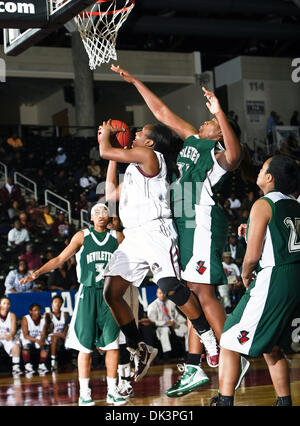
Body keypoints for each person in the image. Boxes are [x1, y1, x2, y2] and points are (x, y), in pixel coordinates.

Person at [111, 65, 247, 396]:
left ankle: (233, 355)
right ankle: (194, 365)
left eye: (210, 124)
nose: (204, 122)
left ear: (219, 133)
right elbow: (161, 112)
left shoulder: (215, 153)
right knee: (189, 297)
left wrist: (221, 116)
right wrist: (136, 81)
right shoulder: (191, 139)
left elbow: (235, 155)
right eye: (207, 120)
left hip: (201, 221)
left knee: (203, 293)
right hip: (181, 224)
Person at [100, 118, 218, 386]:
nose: (136, 133)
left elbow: (105, 149)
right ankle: (138, 347)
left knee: (171, 287)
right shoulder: (133, 165)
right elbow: (109, 193)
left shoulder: (150, 155)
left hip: (156, 232)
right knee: (111, 292)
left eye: (141, 132)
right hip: (133, 236)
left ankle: (208, 337)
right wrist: (113, 159)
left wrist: (105, 136)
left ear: (150, 142)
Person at [211, 155, 300, 406]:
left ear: (269, 177)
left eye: (262, 169)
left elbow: (252, 256)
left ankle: (225, 400)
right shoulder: (295, 205)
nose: (258, 172)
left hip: (276, 276)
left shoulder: (262, 204)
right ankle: (284, 402)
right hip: (295, 277)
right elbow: (277, 238)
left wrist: (246, 273)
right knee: (270, 345)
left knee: (228, 338)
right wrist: (248, 231)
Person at [20, 203, 127, 406]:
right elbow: (60, 258)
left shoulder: (118, 238)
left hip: (109, 295)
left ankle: (113, 390)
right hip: (87, 293)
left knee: (112, 345)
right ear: (91, 218)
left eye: (105, 211)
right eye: (97, 212)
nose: (101, 215)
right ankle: (84, 393)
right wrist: (37, 273)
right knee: (84, 347)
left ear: (110, 216)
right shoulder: (82, 236)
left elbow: (133, 261)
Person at [147, 288, 190, 360]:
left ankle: (188, 352)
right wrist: (165, 323)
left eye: (163, 293)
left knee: (186, 330)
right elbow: (152, 320)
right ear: (157, 294)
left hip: (174, 324)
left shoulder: (170, 303)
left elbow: (177, 315)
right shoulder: (152, 306)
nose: (162, 295)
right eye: (160, 293)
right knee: (165, 331)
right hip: (161, 326)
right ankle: (167, 355)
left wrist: (184, 321)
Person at [20, 303, 50, 375]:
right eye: (35, 310)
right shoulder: (25, 318)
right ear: (31, 311)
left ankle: (41, 365)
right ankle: (27, 365)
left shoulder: (43, 319)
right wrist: (37, 340)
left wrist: (42, 341)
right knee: (26, 345)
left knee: (45, 345)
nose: (37, 312)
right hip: (26, 337)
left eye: (39, 310)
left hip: (37, 337)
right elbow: (26, 335)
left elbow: (43, 333)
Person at [45, 295, 68, 371]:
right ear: (52, 303)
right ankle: (53, 361)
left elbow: (65, 326)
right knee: (55, 338)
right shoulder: (48, 315)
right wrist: (59, 334)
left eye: (59, 302)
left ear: (62, 304)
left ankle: (74, 360)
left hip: (62, 335)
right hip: (51, 335)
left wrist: (64, 333)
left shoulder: (64, 314)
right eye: (55, 302)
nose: (57, 304)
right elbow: (47, 330)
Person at [0, 296, 22, 376]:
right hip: (1, 336)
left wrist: (11, 335)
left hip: (7, 337)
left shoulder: (12, 315)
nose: (6, 305)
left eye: (8, 304)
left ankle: (15, 368)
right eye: (4, 303)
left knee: (16, 345)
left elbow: (13, 330)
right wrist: (2, 336)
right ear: (0, 305)